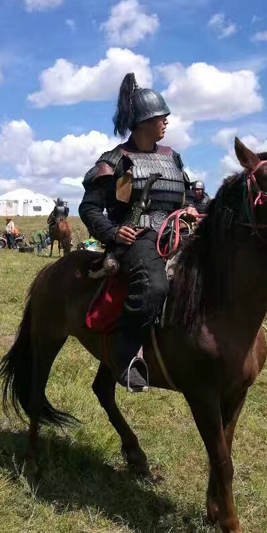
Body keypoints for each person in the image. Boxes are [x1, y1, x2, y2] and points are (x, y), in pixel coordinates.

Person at [79, 72, 197, 392]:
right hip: (138, 237)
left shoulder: (172, 156)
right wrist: (114, 232)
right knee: (155, 286)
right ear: (144, 121)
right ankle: (128, 357)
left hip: (178, 232)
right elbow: (90, 209)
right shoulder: (117, 161)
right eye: (161, 116)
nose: (166, 122)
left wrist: (195, 208)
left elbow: (193, 195)